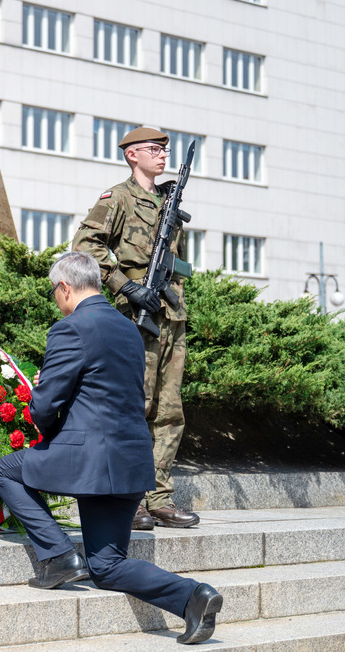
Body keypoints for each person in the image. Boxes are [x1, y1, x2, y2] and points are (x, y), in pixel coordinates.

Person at [0, 251, 222, 645]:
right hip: (131, 462)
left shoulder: (70, 328)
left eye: (54, 291)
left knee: (5, 470)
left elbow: (45, 406)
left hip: (87, 459)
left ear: (65, 287)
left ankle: (59, 555)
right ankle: (192, 597)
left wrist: (44, 412)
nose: (55, 299)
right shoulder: (129, 328)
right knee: (108, 565)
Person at [71, 126, 198, 530]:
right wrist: (123, 285)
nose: (162, 156)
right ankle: (129, 497)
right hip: (136, 317)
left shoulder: (168, 201)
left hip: (171, 316)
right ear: (131, 156)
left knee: (170, 411)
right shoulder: (118, 198)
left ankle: (158, 496)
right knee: (134, 407)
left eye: (164, 150)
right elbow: (85, 244)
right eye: (152, 150)